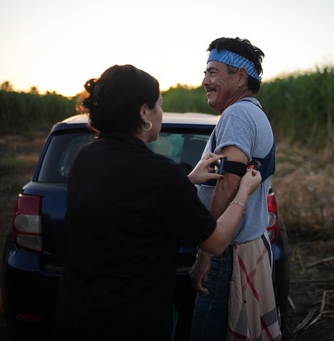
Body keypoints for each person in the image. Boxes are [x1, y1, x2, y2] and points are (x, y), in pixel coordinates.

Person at [54, 64, 262, 341]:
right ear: (144, 113)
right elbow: (216, 241)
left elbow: (129, 199)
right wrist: (243, 192)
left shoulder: (86, 157)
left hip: (78, 312)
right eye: (159, 105)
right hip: (133, 322)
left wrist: (186, 180)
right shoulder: (161, 175)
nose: (160, 113)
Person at [189, 38, 281, 340]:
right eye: (206, 73)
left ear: (240, 76)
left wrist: (206, 251)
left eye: (213, 72)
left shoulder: (238, 115)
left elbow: (228, 183)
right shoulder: (253, 113)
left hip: (224, 253)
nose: (205, 81)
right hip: (236, 249)